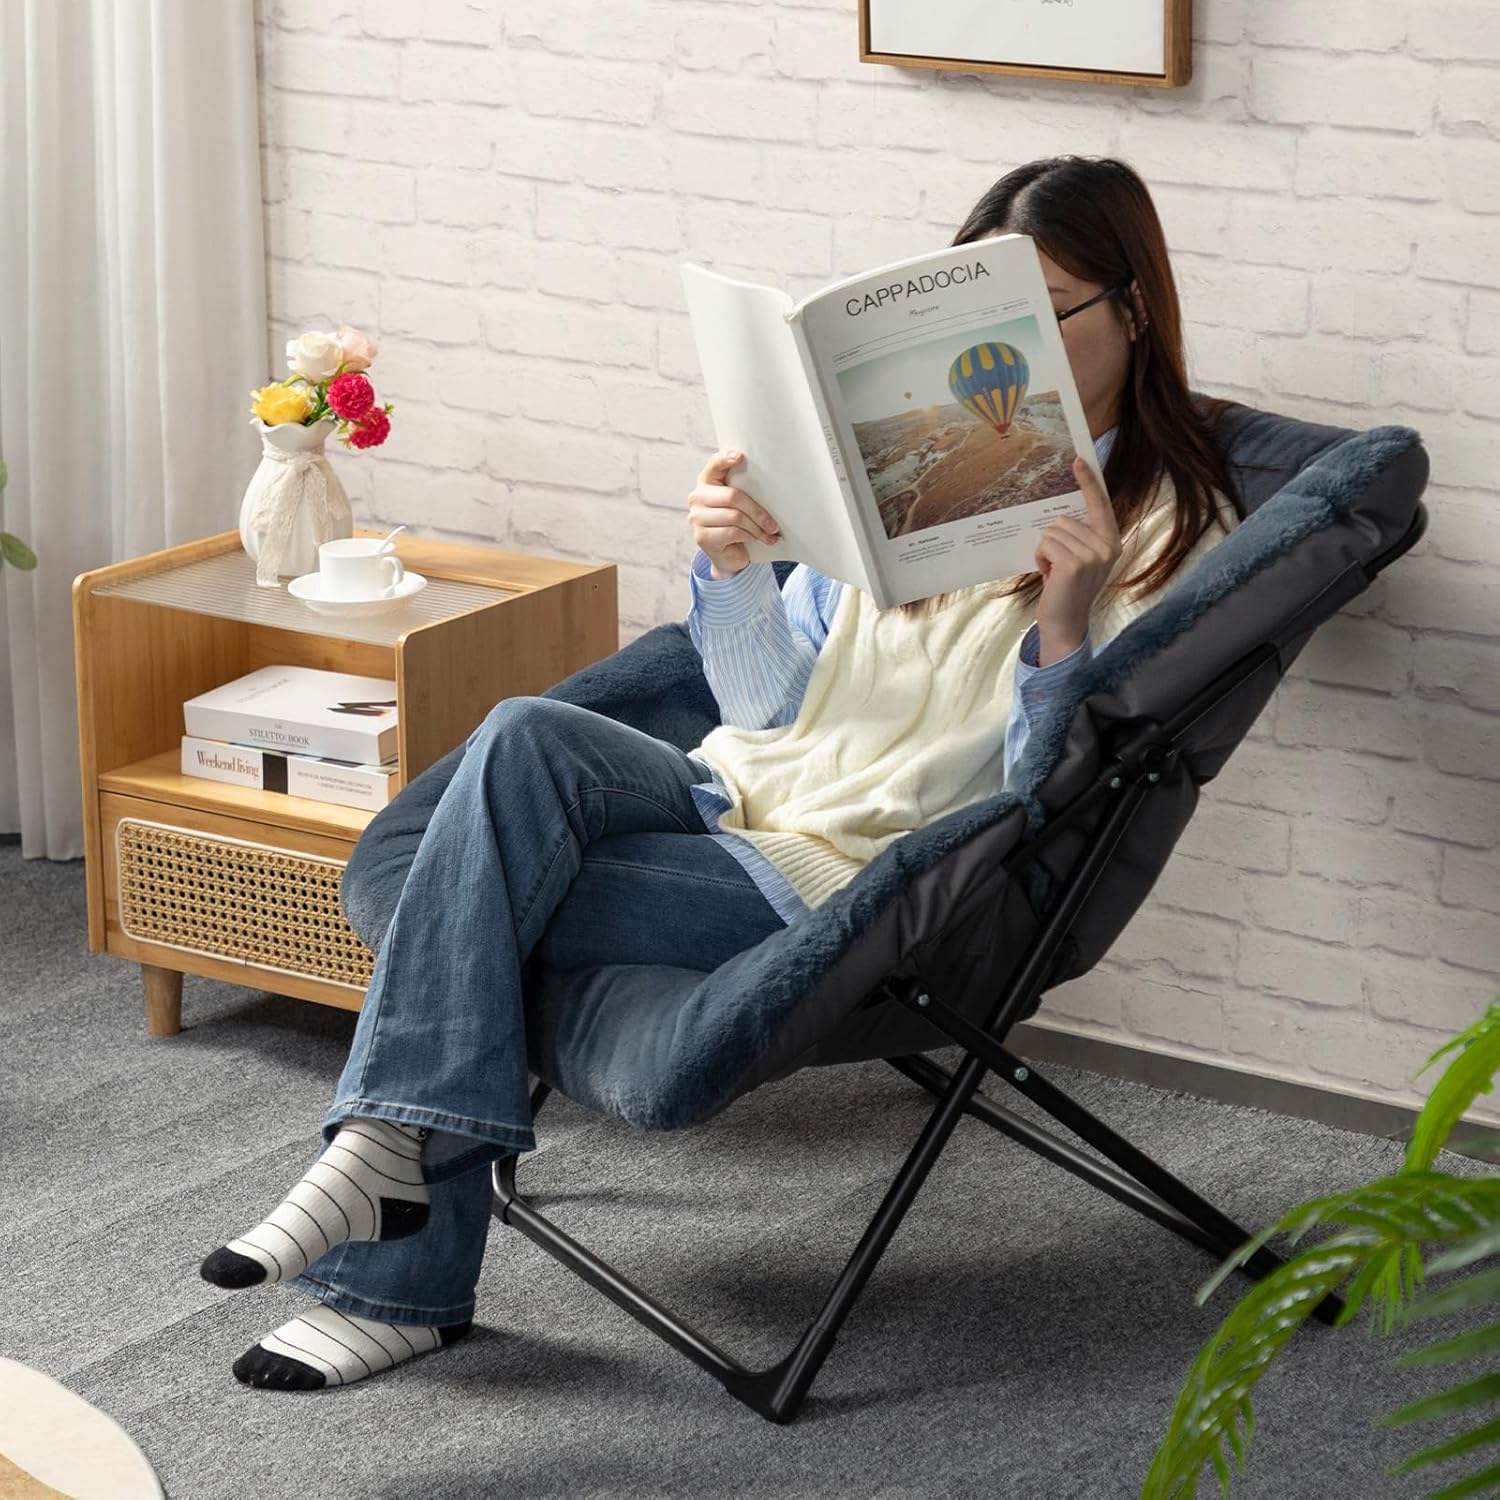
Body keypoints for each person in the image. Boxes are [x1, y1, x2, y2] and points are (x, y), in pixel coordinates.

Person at [198, 155, 1241, 1391]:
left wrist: (1065, 620)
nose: (1016, 352)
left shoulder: (1178, 529)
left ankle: (396, 1244)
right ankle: (386, 1177)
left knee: (466, 895)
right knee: (528, 733)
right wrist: (736, 570)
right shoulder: (912, 461)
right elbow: (761, 705)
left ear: (1130, 305)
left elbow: (1053, 793)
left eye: (1044, 313)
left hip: (838, 875)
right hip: (730, 794)